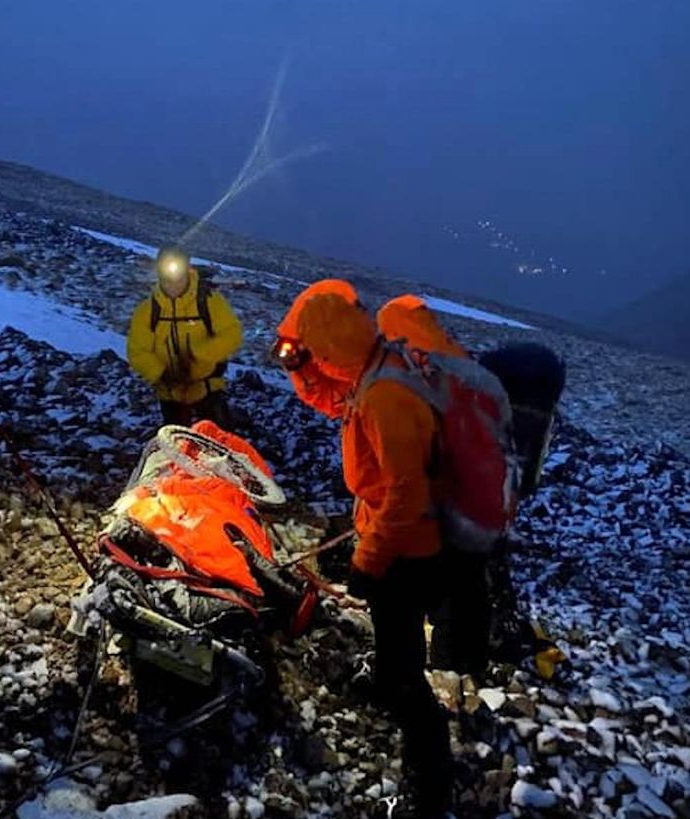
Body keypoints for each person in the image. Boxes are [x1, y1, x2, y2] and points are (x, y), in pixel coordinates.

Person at [273, 280, 453, 819]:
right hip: (403, 537)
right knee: (394, 639)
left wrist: (369, 561)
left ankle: (430, 791)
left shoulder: (385, 395)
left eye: (314, 346)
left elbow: (407, 492)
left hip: (410, 549)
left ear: (332, 340)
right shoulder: (377, 368)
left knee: (406, 677)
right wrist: (300, 368)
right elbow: (336, 399)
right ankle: (390, 677)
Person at [127, 246, 242, 428]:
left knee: (218, 442)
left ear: (188, 272)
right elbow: (137, 351)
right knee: (177, 446)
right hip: (169, 392)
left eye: (178, 277)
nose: (173, 284)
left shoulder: (210, 302)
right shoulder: (147, 311)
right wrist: (161, 373)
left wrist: (199, 355)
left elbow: (232, 334)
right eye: (167, 278)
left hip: (207, 388)